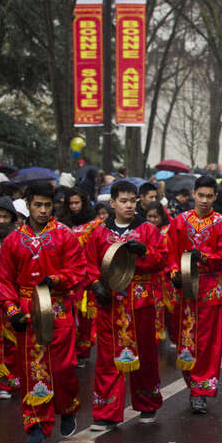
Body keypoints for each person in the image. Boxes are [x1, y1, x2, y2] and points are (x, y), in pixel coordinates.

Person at [0, 182, 85, 443]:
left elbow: (78, 269)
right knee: (32, 369)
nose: (43, 210)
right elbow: (3, 280)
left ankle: (67, 407)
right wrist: (12, 311)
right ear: (28, 204)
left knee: (63, 368)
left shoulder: (65, 235)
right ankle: (36, 425)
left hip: (58, 308)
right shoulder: (12, 240)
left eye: (48, 205)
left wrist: (56, 279)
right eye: (38, 205)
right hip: (27, 309)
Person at [83, 181, 168, 430]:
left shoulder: (148, 230)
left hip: (140, 300)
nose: (129, 205)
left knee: (145, 354)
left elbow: (161, 258)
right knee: (107, 358)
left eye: (133, 200)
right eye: (124, 201)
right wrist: (96, 285)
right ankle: (106, 410)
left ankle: (147, 404)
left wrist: (145, 252)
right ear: (113, 204)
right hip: (110, 302)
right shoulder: (99, 232)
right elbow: (88, 263)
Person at [168, 176, 222, 414]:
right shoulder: (179, 221)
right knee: (184, 338)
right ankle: (192, 382)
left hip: (209, 288)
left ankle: (201, 391)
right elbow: (171, 252)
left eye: (209, 196)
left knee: (207, 343)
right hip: (185, 288)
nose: (205, 200)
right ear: (193, 194)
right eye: (201, 195)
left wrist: (205, 258)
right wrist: (175, 273)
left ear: (216, 197)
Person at [60, 187, 103, 367]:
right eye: (71, 203)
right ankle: (68, 352)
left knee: (85, 318)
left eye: (77, 202)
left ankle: (83, 351)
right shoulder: (61, 225)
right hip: (67, 279)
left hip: (87, 278)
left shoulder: (95, 225)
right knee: (67, 318)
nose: (74, 206)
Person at [0, 196, 21, 400]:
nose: (1, 220)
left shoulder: (17, 239)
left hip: (12, 298)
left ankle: (7, 383)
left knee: (12, 342)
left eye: (5, 216)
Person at [144, 201, 172, 341]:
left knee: (168, 310)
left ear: (162, 216)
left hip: (166, 277)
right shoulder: (142, 231)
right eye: (149, 216)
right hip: (149, 277)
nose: (152, 220)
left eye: (155, 216)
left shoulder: (168, 231)